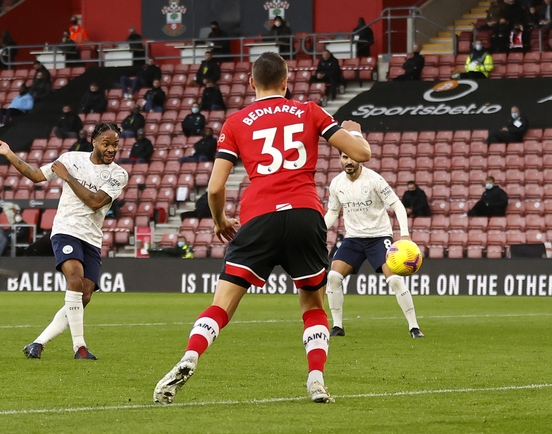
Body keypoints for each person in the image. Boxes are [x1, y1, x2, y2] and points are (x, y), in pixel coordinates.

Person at [153, 52, 372, 405]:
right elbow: (361, 155)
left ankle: (191, 355)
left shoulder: (236, 122)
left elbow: (214, 188)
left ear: (251, 82)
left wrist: (221, 220)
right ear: (287, 81)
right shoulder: (310, 111)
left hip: (259, 216)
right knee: (313, 303)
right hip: (304, 212)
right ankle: (316, 378)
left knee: (222, 303)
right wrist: (354, 131)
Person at [0, 123, 128, 361]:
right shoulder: (71, 158)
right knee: (74, 280)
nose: (111, 149)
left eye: (115, 144)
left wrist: (68, 178)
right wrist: (9, 153)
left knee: (84, 295)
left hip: (92, 238)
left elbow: (95, 202)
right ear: (94, 141)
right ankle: (80, 348)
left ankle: (38, 343)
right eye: (106, 143)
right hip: (66, 230)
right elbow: (35, 176)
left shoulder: (118, 174)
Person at [324, 151, 424, 339]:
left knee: (394, 280)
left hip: (379, 237)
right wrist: (318, 231)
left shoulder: (374, 179)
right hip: (353, 238)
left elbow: (397, 205)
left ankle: (414, 327)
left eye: (352, 157)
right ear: (340, 159)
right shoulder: (337, 183)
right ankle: (337, 326)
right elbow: (333, 212)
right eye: (345, 157)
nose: (349, 161)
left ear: (359, 158)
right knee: (334, 277)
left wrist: (404, 235)